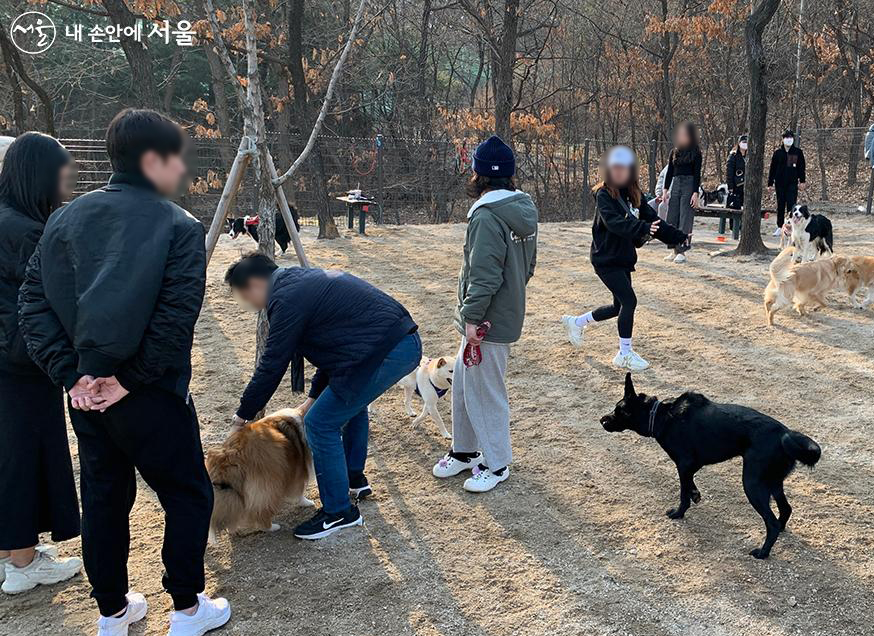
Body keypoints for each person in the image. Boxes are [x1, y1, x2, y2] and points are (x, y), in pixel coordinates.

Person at [18, 109, 228, 636]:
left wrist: (73, 377)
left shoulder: (63, 221)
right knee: (185, 492)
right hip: (150, 392)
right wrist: (125, 380)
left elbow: (32, 306)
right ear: (154, 159)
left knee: (105, 499)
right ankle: (186, 605)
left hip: (86, 396)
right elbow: (175, 319)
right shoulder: (179, 225)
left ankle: (112, 614)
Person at [228, 253, 421, 538]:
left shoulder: (285, 298)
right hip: (392, 344)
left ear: (256, 283)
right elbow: (334, 352)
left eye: (244, 295)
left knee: (320, 423)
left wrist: (243, 415)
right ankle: (354, 479)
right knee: (349, 406)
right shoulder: (299, 283)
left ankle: (338, 512)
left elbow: (273, 363)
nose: (249, 304)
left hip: (386, 349)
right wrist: (312, 397)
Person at [0, 132, 84, 595]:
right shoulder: (28, 231)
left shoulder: (6, 219)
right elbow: (50, 301)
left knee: (9, 454)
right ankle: (24, 563)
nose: (67, 179)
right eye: (61, 171)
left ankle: (11, 551)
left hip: (8, 361)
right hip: (22, 362)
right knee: (25, 457)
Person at [432, 135, 537, 493]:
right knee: (463, 382)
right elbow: (528, 265)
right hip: (493, 316)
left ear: (479, 174)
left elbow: (484, 274)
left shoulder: (487, 217)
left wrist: (473, 317)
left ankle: (497, 463)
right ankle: (465, 451)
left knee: (486, 391)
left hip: (486, 322)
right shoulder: (521, 210)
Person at [559, 146, 686, 371]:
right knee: (629, 301)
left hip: (623, 258)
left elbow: (655, 222)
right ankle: (624, 354)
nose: (620, 172)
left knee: (619, 306)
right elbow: (616, 224)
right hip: (605, 258)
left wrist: (679, 236)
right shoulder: (604, 195)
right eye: (615, 168)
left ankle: (576, 322)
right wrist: (644, 227)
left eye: (624, 168)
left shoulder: (632, 194)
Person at [661, 122, 702, 263]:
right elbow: (670, 172)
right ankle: (674, 250)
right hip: (676, 184)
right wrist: (665, 190)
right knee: (672, 217)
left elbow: (697, 174)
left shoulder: (696, 152)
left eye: (684, 134)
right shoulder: (674, 152)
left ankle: (682, 252)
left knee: (685, 218)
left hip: (689, 185)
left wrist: (695, 193)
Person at [767, 129, 806, 237]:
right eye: (786, 138)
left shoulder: (798, 152)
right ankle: (780, 227)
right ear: (783, 139)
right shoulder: (777, 153)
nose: (789, 140)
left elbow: (801, 168)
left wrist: (802, 181)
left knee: (791, 205)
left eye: (790, 138)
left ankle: (791, 227)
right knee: (780, 205)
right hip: (780, 183)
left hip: (792, 183)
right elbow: (772, 169)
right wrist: (770, 183)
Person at [725, 134, 748, 239]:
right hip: (735, 186)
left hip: (747, 187)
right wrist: (730, 186)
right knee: (734, 206)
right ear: (738, 143)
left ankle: (743, 228)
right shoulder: (733, 156)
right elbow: (729, 172)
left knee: (745, 208)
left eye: (746, 142)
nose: (745, 144)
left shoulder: (750, 156)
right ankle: (732, 228)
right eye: (743, 142)